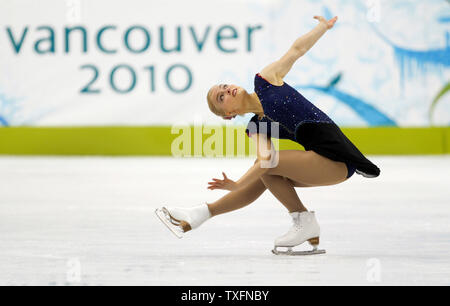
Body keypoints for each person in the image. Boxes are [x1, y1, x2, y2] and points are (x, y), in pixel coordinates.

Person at [155, 16, 380, 255]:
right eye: (221, 98)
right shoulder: (258, 126)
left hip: (338, 160)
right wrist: (241, 183)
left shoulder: (266, 82)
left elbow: (297, 50)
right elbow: (264, 161)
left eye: (223, 86)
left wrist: (322, 27)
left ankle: (302, 220)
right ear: (229, 113)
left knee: (266, 166)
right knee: (264, 171)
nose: (226, 90)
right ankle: (201, 213)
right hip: (323, 163)